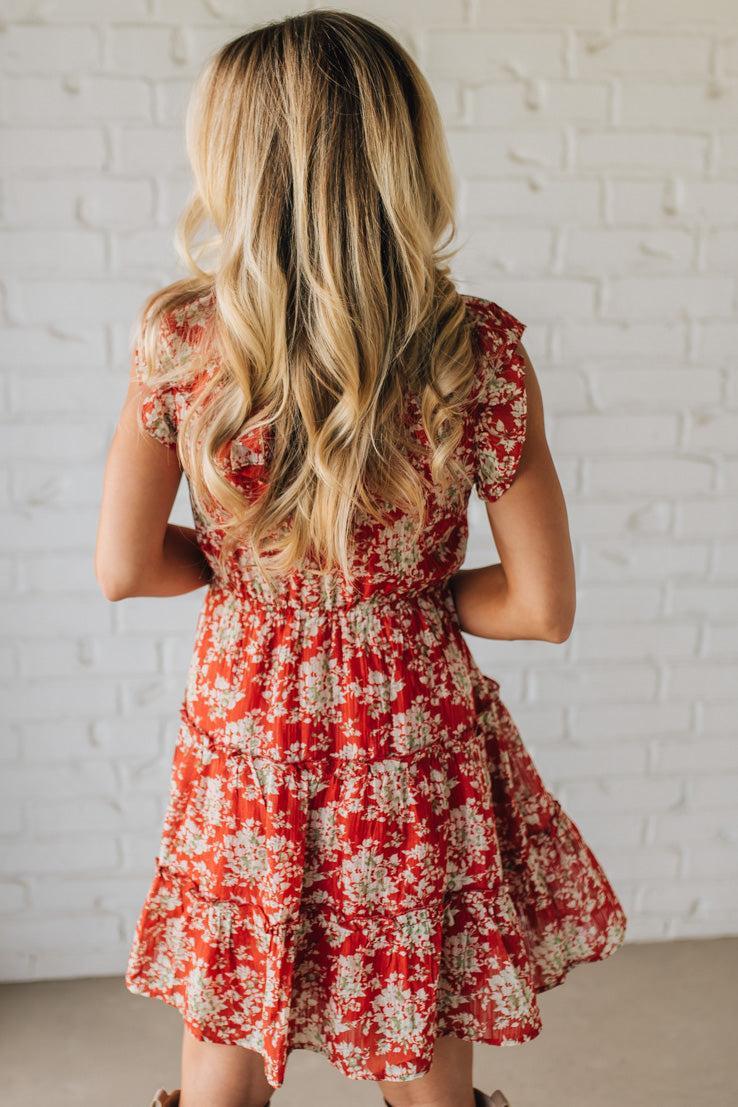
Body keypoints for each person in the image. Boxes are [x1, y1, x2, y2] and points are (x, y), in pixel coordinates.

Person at [94, 11, 627, 1107]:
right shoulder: (473, 348)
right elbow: (542, 605)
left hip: (249, 717)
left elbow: (124, 567)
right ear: (403, 151)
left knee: (231, 1021)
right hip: (409, 720)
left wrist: (258, 580)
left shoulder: (183, 341)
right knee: (415, 1012)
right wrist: (400, 597)